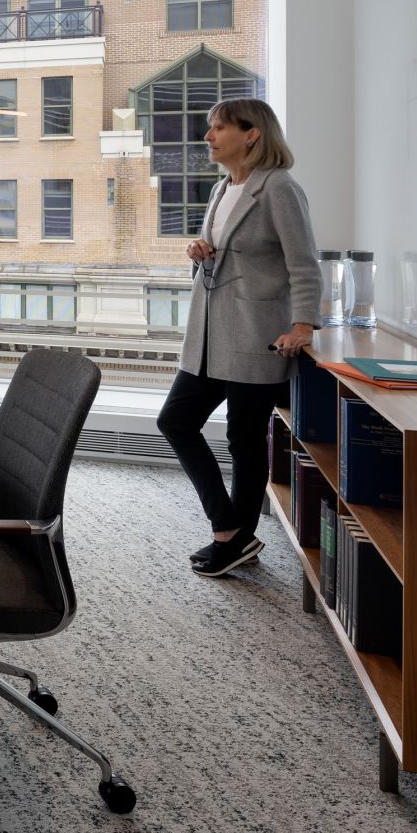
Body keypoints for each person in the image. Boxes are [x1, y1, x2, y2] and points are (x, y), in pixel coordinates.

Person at [156, 98, 320, 578]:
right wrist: (197, 250)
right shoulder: (222, 188)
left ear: (252, 134)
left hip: (256, 333)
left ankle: (232, 540)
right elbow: (222, 257)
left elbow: (303, 263)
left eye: (218, 128)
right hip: (207, 333)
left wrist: (304, 325)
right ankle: (230, 528)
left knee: (244, 440)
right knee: (176, 421)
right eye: (209, 128)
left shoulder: (280, 189)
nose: (208, 136)